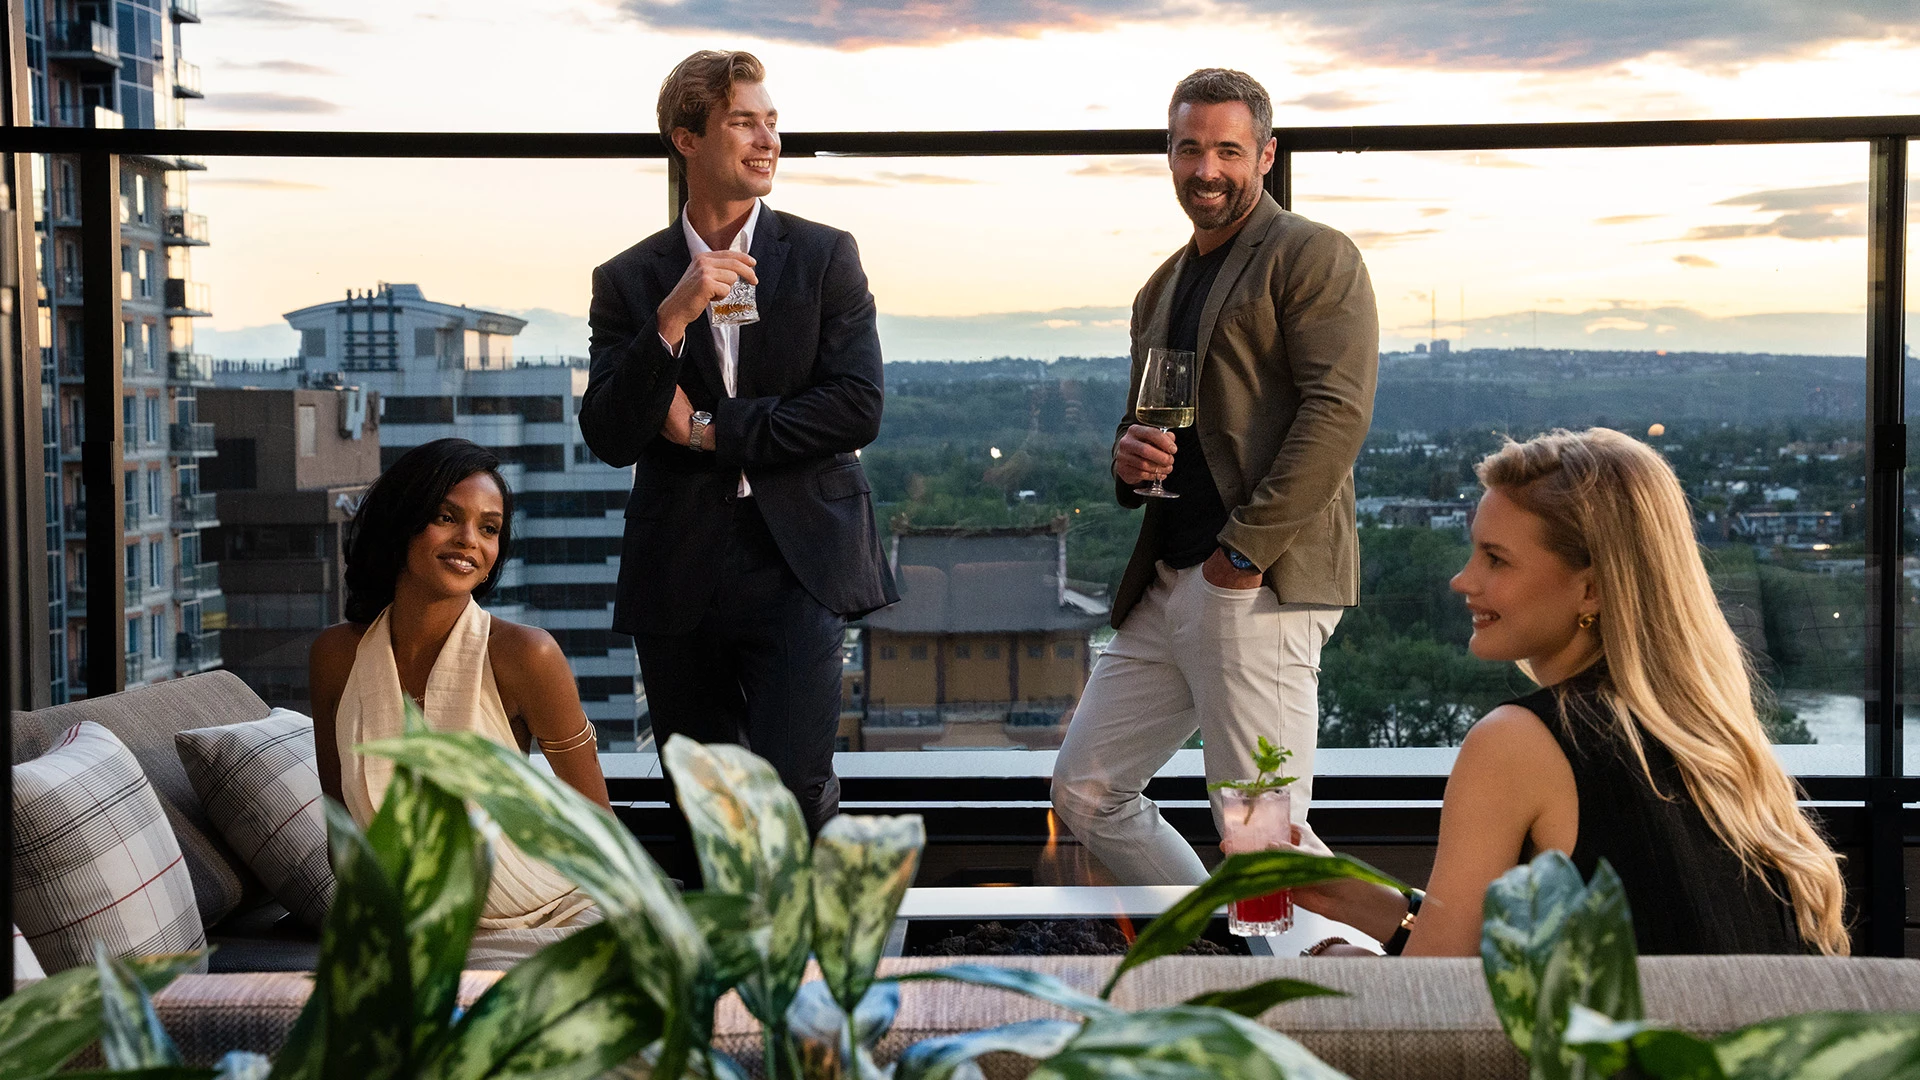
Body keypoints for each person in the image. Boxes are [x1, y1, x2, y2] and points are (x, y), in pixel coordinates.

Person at [1279, 428, 1848, 956]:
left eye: (1495, 559)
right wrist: (1345, 893)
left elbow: (1435, 1003)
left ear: (1592, 588)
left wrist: (1331, 956)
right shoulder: (1715, 745)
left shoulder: (1515, 743)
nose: (1463, 580)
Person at [1050, 68, 1379, 886]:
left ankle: (1323, 967)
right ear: (1169, 155)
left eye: (1228, 150)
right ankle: (1212, 943)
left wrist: (1241, 558)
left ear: (1265, 155)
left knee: (1263, 833)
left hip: (1255, 581)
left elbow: (1337, 413)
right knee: (1085, 791)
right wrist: (1128, 456)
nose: (1207, 169)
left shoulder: (1312, 255)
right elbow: (1143, 423)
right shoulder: (1161, 285)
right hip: (1169, 578)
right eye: (1190, 149)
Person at [578, 50, 895, 835]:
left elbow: (856, 407)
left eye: (771, 122)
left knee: (794, 790)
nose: (768, 140)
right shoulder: (628, 280)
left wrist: (713, 431)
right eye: (743, 123)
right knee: (705, 804)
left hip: (799, 558)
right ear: (686, 139)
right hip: (678, 562)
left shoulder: (824, 255)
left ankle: (804, 921)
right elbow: (610, 434)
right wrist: (670, 319)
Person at [310, 438, 611, 929]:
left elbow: (599, 826)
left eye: (489, 528)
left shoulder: (527, 654)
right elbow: (343, 832)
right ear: (400, 523)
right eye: (446, 517)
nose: (470, 540)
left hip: (551, 914)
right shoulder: (335, 656)